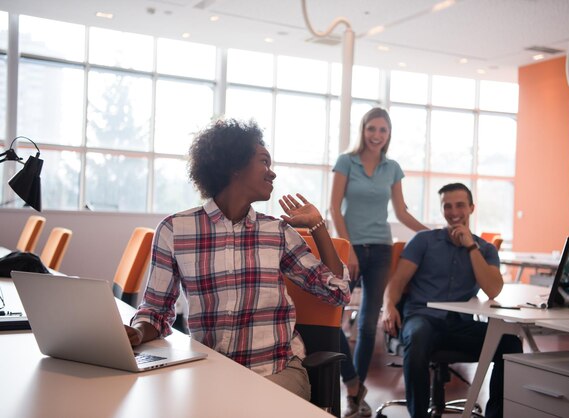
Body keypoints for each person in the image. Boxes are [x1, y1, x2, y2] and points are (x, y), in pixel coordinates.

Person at [126, 119, 351, 400]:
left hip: (277, 371)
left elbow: (337, 293)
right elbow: (156, 312)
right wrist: (135, 333)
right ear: (234, 165)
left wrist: (318, 228)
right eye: (264, 162)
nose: (272, 174)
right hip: (210, 373)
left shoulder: (277, 232)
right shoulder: (175, 230)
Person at [381, 183, 522, 418]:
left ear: (471, 208)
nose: (453, 211)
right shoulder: (423, 241)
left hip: (459, 324)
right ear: (442, 209)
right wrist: (388, 306)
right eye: (447, 206)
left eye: (460, 205)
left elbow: (493, 290)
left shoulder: (485, 249)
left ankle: (495, 414)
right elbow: (396, 282)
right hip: (422, 318)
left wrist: (470, 246)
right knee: (417, 336)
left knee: (510, 343)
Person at [330, 107, 428, 417]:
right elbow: (334, 209)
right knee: (333, 319)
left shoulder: (392, 168)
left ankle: (356, 397)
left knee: (368, 325)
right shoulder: (346, 162)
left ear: (388, 134)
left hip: (382, 250)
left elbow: (401, 213)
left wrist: (434, 234)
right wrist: (349, 250)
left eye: (382, 130)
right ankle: (352, 381)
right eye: (372, 129)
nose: (376, 135)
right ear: (363, 130)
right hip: (351, 249)